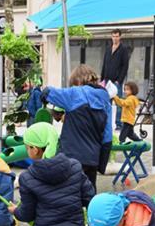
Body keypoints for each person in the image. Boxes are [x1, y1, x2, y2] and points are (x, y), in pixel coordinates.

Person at [42, 64, 113, 192]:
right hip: (92, 159)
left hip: (70, 158)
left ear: (79, 81)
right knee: (89, 197)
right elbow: (107, 137)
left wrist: (42, 98)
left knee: (67, 195)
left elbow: (47, 92)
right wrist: (100, 164)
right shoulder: (105, 99)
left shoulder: (75, 93)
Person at [101, 29, 130, 129]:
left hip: (117, 81)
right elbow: (104, 64)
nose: (115, 38)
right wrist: (102, 79)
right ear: (111, 37)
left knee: (118, 103)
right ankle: (107, 123)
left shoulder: (123, 49)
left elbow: (125, 66)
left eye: (117, 36)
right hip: (107, 80)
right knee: (107, 103)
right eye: (113, 36)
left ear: (120, 37)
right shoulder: (108, 48)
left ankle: (119, 124)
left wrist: (119, 80)